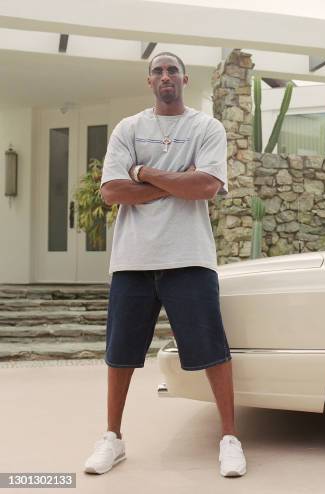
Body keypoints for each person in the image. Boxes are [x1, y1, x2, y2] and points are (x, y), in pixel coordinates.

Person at [84, 52, 246, 478]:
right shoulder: (129, 128)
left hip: (189, 256)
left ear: (184, 79)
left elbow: (207, 185)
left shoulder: (206, 127)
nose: (165, 75)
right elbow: (113, 191)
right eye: (158, 70)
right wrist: (174, 181)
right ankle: (112, 438)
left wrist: (142, 173)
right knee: (120, 355)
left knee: (213, 348)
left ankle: (229, 438)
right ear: (149, 81)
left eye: (172, 69)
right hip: (133, 261)